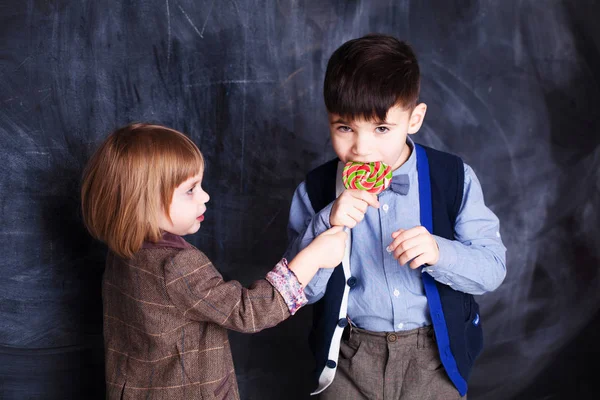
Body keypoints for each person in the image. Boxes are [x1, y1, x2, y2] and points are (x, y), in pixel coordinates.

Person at [285, 34, 507, 399]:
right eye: (344, 128)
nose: (361, 148)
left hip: (433, 358)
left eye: (381, 129)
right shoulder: (315, 191)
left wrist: (439, 252)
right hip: (348, 358)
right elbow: (299, 292)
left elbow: (493, 268)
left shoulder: (453, 178)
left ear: (414, 118)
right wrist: (328, 224)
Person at [80, 123, 347, 399]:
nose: (205, 197)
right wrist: (311, 257)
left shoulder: (123, 251)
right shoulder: (177, 266)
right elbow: (248, 312)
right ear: (142, 202)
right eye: (190, 190)